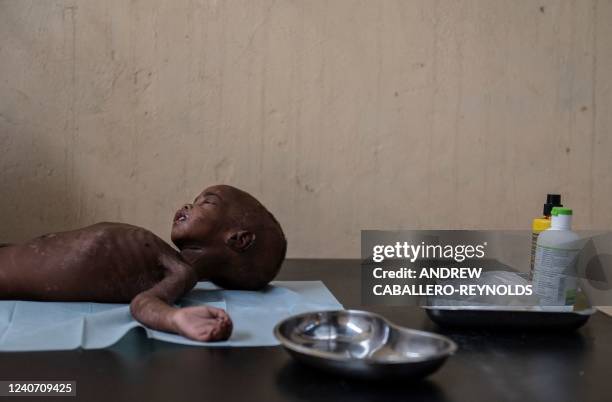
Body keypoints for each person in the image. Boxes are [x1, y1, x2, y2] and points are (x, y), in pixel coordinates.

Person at [0, 185, 287, 342]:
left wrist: (175, 319)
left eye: (206, 203)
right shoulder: (162, 254)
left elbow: (144, 304)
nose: (188, 205)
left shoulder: (180, 272)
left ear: (238, 240)